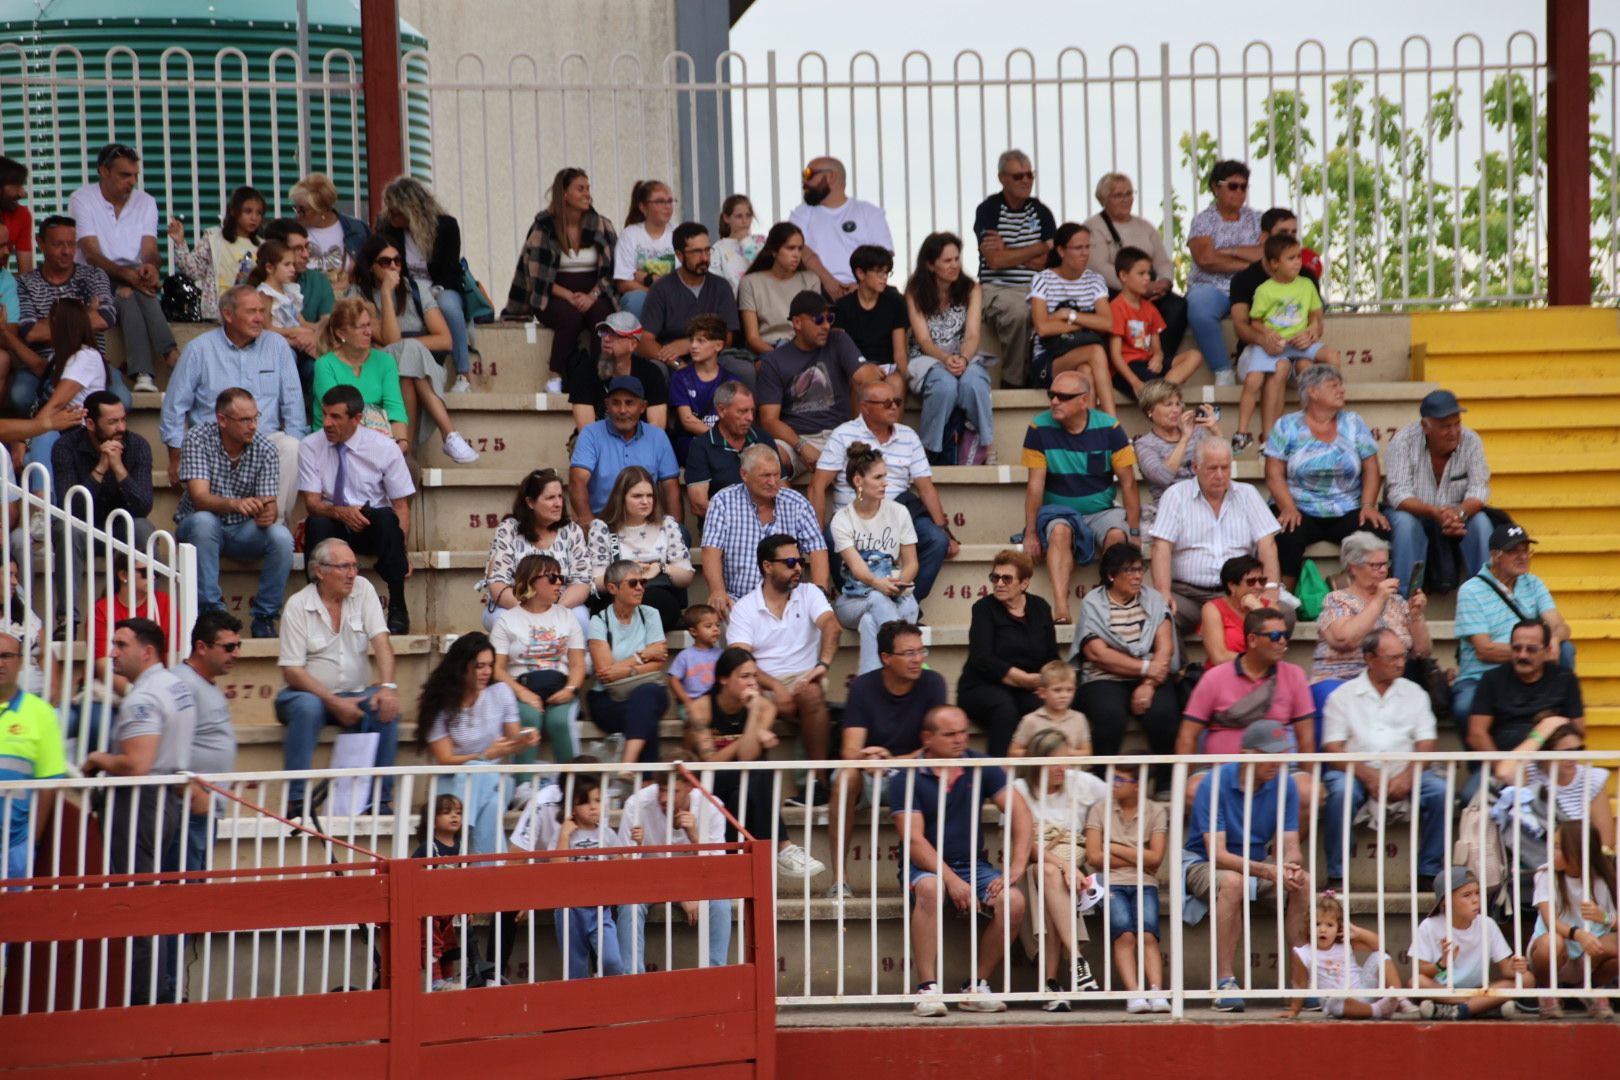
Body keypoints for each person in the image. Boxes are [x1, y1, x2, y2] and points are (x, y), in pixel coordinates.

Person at [80, 617, 199, 1004]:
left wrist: (98, 758)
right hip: (168, 798)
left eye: (120, 645)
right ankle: (161, 992)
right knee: (155, 902)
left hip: (141, 802)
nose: (111, 652)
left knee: (136, 903)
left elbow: (135, 765)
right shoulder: (177, 685)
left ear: (146, 651)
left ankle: (146, 1000)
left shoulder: (143, 698)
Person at [892, 705, 1031, 1017]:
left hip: (972, 864)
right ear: (927, 738)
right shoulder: (906, 775)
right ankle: (927, 988)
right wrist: (951, 881)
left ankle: (976, 986)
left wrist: (1017, 866)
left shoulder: (978, 763)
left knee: (1014, 901)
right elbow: (913, 840)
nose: (959, 740)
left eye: (963, 732)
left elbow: (1021, 812)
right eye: (950, 734)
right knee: (930, 889)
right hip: (923, 865)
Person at [1182, 720, 1312, 1013]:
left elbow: (1290, 843)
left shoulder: (1285, 784)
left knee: (1303, 880)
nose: (1278, 763)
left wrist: (1291, 866)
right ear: (1247, 753)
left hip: (1254, 863)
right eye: (1271, 755)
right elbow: (1217, 855)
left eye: (1282, 755)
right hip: (1203, 863)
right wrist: (1268, 870)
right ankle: (1224, 981)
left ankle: (1299, 984)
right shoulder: (1213, 784)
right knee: (1232, 881)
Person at [274, 538, 402, 816]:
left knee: (386, 705)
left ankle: (378, 800)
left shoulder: (364, 590)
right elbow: (292, 671)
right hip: (307, 695)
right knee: (307, 708)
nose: (353, 573)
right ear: (320, 571)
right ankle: (296, 799)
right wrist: (333, 702)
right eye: (344, 567)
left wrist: (388, 686)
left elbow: (381, 641)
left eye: (354, 566)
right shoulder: (298, 605)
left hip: (355, 692)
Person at [160, 286, 306, 522]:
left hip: (264, 442)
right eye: (251, 312)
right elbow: (175, 407)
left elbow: (294, 406)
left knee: (291, 445)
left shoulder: (277, 346)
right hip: (214, 444)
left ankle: (271, 523)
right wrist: (175, 456)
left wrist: (298, 440)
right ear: (228, 315)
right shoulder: (199, 349)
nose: (260, 318)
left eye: (262, 311)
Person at [1319, 629, 1447, 890]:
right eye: (1391, 658)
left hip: (1406, 769)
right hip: (1355, 772)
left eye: (1402, 656)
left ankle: (1428, 872)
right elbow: (1332, 748)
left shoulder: (1416, 693)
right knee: (1341, 790)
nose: (1400, 663)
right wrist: (1368, 775)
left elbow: (1426, 742)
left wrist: (1407, 776)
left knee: (1440, 791)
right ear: (1369, 658)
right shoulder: (1342, 695)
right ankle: (1337, 875)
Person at [826, 620, 946, 898]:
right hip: (871, 775)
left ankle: (930, 871)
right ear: (886, 658)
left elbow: (937, 746)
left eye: (921, 651)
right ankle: (839, 879)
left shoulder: (933, 683)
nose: (918, 660)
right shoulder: (863, 687)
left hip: (914, 773)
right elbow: (850, 751)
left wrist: (891, 759)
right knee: (845, 776)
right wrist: (869, 759)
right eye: (909, 654)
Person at [685, 645, 826, 880]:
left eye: (754, 676)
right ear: (723, 679)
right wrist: (750, 737)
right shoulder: (701, 708)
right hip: (708, 784)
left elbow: (748, 756)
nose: (751, 683)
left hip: (741, 785)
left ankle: (743, 865)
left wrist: (753, 715)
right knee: (759, 771)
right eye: (744, 676)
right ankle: (782, 846)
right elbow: (710, 762)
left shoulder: (764, 706)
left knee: (746, 788)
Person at [811, 379, 956, 600]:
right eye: (886, 403)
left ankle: (905, 602)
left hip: (897, 513)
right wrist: (816, 535)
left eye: (897, 401)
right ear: (865, 407)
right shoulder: (843, 434)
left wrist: (944, 529)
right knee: (829, 538)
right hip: (854, 516)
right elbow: (817, 486)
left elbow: (925, 488)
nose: (895, 407)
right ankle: (858, 598)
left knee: (937, 540)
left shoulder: (908, 435)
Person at [1019, 370, 1140, 624]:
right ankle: (1061, 608)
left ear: (1084, 400)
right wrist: (1031, 532)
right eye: (1052, 395)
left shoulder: (1110, 428)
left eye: (1063, 397)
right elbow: (1034, 486)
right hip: (1059, 511)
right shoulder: (1038, 427)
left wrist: (1136, 532)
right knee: (1060, 531)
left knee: (1118, 536)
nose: (1054, 402)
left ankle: (1107, 606)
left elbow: (1129, 483)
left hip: (1103, 510)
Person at [174, 387, 295, 637]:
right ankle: (211, 613)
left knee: (281, 537)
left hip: (242, 530)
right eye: (245, 420)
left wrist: (266, 514)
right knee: (205, 522)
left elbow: (269, 505)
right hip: (198, 528)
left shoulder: (265, 449)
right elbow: (199, 498)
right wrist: (235, 504)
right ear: (222, 420)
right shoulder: (198, 438)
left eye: (255, 417)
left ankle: (264, 616)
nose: (253, 425)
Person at [346, 236, 478, 463]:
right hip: (379, 368)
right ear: (371, 266)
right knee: (407, 354)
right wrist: (386, 294)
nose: (394, 267)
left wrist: (411, 346)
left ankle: (405, 450)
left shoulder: (416, 290)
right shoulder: (357, 296)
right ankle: (449, 435)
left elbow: (445, 340)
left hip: (422, 370)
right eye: (385, 262)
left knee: (409, 362)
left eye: (398, 261)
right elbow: (391, 339)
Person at [725, 534, 838, 798]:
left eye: (800, 561)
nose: (798, 568)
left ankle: (817, 783)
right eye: (790, 562)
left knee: (811, 693)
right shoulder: (745, 607)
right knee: (754, 704)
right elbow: (741, 661)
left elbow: (832, 626)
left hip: (805, 677)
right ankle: (752, 792)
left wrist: (824, 663)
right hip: (761, 682)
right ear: (767, 566)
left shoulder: (810, 593)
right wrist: (776, 687)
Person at [297, 384, 416, 635]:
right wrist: (341, 512)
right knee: (316, 522)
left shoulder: (384, 447)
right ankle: (316, 605)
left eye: (336, 417)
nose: (327, 423)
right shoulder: (310, 445)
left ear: (357, 419)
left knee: (385, 517)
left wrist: (403, 552)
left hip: (370, 524)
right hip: (334, 521)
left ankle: (397, 605)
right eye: (325, 414)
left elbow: (401, 506)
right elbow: (312, 503)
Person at [1264, 363, 1388, 587]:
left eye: (1341, 385)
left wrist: (1368, 505)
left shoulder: (1353, 422)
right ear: (1313, 392)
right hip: (1300, 505)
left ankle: (1349, 585)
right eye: (1333, 386)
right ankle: (1284, 596)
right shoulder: (1286, 425)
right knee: (1286, 531)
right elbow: (1273, 473)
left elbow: (1371, 467)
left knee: (1378, 530)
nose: (1341, 390)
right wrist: (1288, 507)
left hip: (1347, 506)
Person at [68, 143, 176, 392]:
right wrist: (127, 277)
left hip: (132, 275)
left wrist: (150, 267)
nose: (132, 182)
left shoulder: (146, 202)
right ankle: (167, 358)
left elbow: (149, 250)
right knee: (128, 295)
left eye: (135, 175)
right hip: (93, 276)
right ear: (104, 171)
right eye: (125, 175)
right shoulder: (82, 198)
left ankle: (145, 375)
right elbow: (91, 254)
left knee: (137, 291)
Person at [1151, 438, 1285, 633]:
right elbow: (1161, 547)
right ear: (1196, 467)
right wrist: (1163, 591)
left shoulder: (1248, 494)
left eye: (1225, 468)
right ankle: (1176, 665)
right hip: (1190, 596)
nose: (1220, 475)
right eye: (1212, 468)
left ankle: (1245, 664)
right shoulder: (1175, 495)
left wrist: (1271, 587)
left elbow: (1267, 544)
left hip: (1239, 593)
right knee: (1162, 614)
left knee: (1284, 615)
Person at [1011, 726, 1104, 1009]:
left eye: (1066, 759)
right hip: (1032, 866)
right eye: (1055, 761)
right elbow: (1024, 845)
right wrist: (1064, 866)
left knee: (1050, 880)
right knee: (1047, 873)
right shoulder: (1019, 790)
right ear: (1037, 760)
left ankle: (1051, 985)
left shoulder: (1080, 781)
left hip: (1073, 870)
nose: (1063, 767)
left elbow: (1122, 795)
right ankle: (1076, 960)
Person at [417, 632, 534, 855]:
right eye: (479, 666)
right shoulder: (439, 701)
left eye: (490, 665)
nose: (487, 672)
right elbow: (445, 759)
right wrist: (483, 756)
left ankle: (458, 837)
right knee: (490, 805)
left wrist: (525, 740)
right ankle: (491, 874)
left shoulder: (501, 692)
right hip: (451, 781)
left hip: (494, 779)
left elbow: (512, 743)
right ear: (462, 667)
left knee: (483, 774)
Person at [1177, 609, 1317, 791]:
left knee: (1308, 791)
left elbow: (1306, 738)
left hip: (1277, 772)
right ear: (1252, 640)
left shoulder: (1295, 675)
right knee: (1192, 791)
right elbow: (1187, 736)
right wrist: (1184, 781)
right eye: (1275, 635)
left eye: (1285, 635)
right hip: (1220, 771)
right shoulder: (1214, 677)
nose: (1282, 641)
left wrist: (1307, 776)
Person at [501, 167, 618, 380]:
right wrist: (571, 297)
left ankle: (600, 378)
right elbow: (536, 276)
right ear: (564, 194)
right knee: (570, 317)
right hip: (553, 294)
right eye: (580, 189)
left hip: (595, 293)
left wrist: (591, 296)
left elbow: (612, 270)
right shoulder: (543, 228)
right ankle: (556, 376)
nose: (587, 194)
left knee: (602, 318)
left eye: (588, 188)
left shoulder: (603, 225)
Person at [51, 392, 153, 624]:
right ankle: (68, 620)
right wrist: (100, 468)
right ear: (89, 423)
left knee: (143, 528)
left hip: (120, 530)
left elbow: (143, 506)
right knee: (66, 528)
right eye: (112, 422)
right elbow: (71, 509)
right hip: (83, 531)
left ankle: (143, 617)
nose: (121, 428)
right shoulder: (65, 447)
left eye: (123, 419)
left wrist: (118, 469)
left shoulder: (138, 446)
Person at [1452, 523, 1573, 720]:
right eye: (1514, 551)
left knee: (1565, 648)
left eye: (1526, 550)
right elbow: (1484, 650)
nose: (1523, 557)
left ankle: (1559, 727)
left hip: (1528, 671)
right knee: (1465, 706)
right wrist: (1537, 654)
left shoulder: (1533, 583)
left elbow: (1560, 626)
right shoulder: (1471, 590)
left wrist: (1554, 640)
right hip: (1483, 675)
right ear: (1495, 555)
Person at [618, 767, 734, 972]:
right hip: (649, 880)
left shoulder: (712, 806)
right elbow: (626, 870)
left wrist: (695, 838)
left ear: (690, 787)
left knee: (720, 903)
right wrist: (679, 893)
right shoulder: (636, 804)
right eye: (661, 790)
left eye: (673, 791)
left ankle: (715, 978)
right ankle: (632, 982)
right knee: (629, 905)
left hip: (698, 880)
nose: (664, 798)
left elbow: (719, 870)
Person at [1233, 234, 1341, 453]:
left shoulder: (1306, 284)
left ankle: (1327, 414)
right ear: (1274, 263)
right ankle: (1267, 437)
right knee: (1276, 371)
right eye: (1291, 258)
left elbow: (1316, 316)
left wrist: (1312, 329)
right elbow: (1255, 322)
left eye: (1298, 257)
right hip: (1276, 345)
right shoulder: (1264, 289)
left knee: (1332, 358)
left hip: (1300, 343)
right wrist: (1268, 334)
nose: (1298, 262)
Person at [1073, 543, 1180, 760]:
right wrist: (1146, 669)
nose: (1137, 576)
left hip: (1152, 677)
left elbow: (1165, 647)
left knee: (1164, 713)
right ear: (1112, 575)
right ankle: (1102, 780)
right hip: (1104, 678)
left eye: (1140, 569)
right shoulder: (1094, 602)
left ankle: (1164, 784)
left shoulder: (1154, 599)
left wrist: (1149, 684)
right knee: (1110, 716)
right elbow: (1097, 654)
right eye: (1129, 570)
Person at [1384, 389, 1494, 596]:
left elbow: (1480, 488)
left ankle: (1486, 597)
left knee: (1481, 523)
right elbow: (1397, 494)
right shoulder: (1403, 442)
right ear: (1426, 426)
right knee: (1406, 524)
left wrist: (1459, 513)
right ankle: (1404, 600)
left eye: (1457, 423)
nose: (1454, 431)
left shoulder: (1471, 441)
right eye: (1445, 426)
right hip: (1413, 512)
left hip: (1457, 517)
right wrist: (1435, 513)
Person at [757, 290, 877, 478]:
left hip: (840, 434)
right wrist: (801, 446)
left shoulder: (838, 341)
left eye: (830, 318)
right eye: (819, 320)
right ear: (797, 323)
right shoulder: (774, 361)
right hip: (797, 438)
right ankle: (789, 507)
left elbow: (866, 380)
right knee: (768, 464)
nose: (827, 326)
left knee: (877, 467)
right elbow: (769, 420)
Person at [1310, 532, 1432, 715]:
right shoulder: (1337, 600)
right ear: (1353, 568)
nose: (1383, 570)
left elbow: (1423, 651)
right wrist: (1378, 601)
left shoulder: (1397, 602)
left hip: (1387, 681)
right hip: (1341, 679)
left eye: (1386, 564)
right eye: (1376, 565)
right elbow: (1346, 639)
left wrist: (1416, 616)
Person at [1085, 759, 1171, 1013]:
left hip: (1145, 882)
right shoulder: (1099, 809)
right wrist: (1138, 854)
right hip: (1111, 881)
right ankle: (1134, 994)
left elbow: (1156, 859)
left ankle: (1156, 992)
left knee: (1148, 935)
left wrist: (1113, 847)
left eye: (1120, 781)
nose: (1113, 785)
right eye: (1112, 779)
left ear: (1138, 785)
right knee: (1124, 934)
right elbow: (1094, 857)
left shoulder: (1155, 811)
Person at [701, 443, 828, 614]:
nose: (773, 482)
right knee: (721, 613)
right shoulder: (723, 501)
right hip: (738, 600)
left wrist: (818, 593)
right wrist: (717, 591)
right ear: (744, 475)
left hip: (789, 601)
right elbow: (711, 552)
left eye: (776, 475)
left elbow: (817, 549)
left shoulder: (796, 502)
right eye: (765, 476)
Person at [904, 231, 997, 465]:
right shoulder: (915, 291)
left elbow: (974, 334)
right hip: (928, 357)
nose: (954, 265)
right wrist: (946, 359)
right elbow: (924, 340)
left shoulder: (971, 289)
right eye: (947, 261)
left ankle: (987, 445)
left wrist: (963, 359)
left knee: (974, 383)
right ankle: (929, 451)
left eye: (957, 259)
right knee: (944, 386)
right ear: (930, 264)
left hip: (964, 354)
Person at [10, 216, 117, 416]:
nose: (67, 251)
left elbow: (106, 318)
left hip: (89, 365)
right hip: (43, 366)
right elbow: (30, 332)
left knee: (121, 399)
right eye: (58, 244)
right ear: (40, 243)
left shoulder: (94, 275)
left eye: (71, 244)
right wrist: (86, 315)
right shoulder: (25, 282)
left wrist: (50, 325)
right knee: (20, 395)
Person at [957, 549, 1059, 758]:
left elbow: (1051, 655)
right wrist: (1026, 680)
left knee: (1043, 706)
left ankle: (1040, 777)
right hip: (982, 685)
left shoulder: (1040, 607)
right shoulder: (983, 608)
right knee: (1004, 709)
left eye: (1006, 578)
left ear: (1024, 583)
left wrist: (1046, 681)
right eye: (995, 577)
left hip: (1026, 687)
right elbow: (982, 659)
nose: (999, 583)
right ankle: (998, 778)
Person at [829, 442, 920, 673]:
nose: (885, 483)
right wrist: (879, 585)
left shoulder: (899, 512)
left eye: (885, 476)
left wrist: (900, 583)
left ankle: (871, 682)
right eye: (878, 477)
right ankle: (905, 660)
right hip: (853, 599)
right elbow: (859, 570)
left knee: (877, 619)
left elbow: (911, 563)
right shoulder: (842, 519)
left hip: (893, 594)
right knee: (881, 601)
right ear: (859, 481)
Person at [489, 553, 587, 764]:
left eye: (561, 577)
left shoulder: (567, 616)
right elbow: (496, 669)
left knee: (560, 721)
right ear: (530, 581)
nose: (559, 582)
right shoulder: (507, 620)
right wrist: (523, 693)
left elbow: (578, 663)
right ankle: (524, 790)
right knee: (528, 720)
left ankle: (573, 788)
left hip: (559, 686)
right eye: (552, 577)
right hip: (521, 688)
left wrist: (570, 690)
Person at [377, 176, 472, 390]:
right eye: (389, 210)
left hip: (441, 288)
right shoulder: (389, 229)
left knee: (448, 306)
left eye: (396, 212)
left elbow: (449, 270)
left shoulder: (446, 226)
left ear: (410, 210)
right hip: (406, 288)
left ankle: (464, 374)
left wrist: (430, 294)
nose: (390, 216)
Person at [972, 150, 1056, 389]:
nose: (1026, 181)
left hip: (1036, 287)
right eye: (1018, 176)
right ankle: (1014, 383)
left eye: (1030, 175)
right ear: (1002, 178)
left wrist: (1008, 249)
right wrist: (1039, 246)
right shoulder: (989, 210)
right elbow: (995, 262)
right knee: (1019, 312)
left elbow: (1047, 262)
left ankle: (1049, 375)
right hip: (997, 288)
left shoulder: (1041, 212)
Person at [636, 221, 752, 387]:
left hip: (715, 356)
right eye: (697, 252)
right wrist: (677, 364)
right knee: (655, 370)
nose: (704, 258)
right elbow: (645, 341)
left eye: (707, 250)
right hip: (673, 360)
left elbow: (727, 338)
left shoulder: (721, 286)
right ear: (679, 255)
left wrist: (691, 344)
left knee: (743, 369)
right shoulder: (661, 288)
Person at [1083, 171, 1186, 355]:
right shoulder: (1094, 226)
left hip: (1149, 286)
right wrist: (1137, 286)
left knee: (1177, 306)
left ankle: (1161, 359)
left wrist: (1164, 283)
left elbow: (1162, 261)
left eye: (1129, 193)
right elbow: (1100, 267)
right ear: (1103, 199)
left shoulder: (1144, 226)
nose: (1126, 199)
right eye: (1118, 195)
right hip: (1115, 289)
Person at [478, 468, 591, 634]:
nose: (558, 503)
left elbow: (581, 582)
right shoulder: (509, 529)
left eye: (560, 496)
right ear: (530, 502)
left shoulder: (572, 530)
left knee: (580, 616)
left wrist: (553, 610)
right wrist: (527, 611)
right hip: (513, 605)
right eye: (550, 498)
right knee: (501, 620)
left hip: (560, 604)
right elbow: (497, 582)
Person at [1413, 867, 1535, 1021]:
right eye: (1466, 895)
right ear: (1445, 901)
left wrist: (1516, 967)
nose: (1475, 900)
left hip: (1479, 990)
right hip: (1446, 992)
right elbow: (1422, 971)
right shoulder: (1429, 926)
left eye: (1477, 893)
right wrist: (1442, 964)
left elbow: (1506, 971)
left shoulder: (1487, 924)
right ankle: (1480, 1006)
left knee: (1527, 978)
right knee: (1416, 981)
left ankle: (1460, 1010)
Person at [586, 558, 671, 766]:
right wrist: (642, 656)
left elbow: (657, 662)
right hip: (608, 699)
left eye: (643, 583)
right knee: (645, 715)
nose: (640, 588)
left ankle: (628, 764)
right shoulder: (599, 621)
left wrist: (625, 668)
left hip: (648, 692)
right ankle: (648, 783)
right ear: (612, 588)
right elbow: (606, 673)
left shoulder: (651, 614)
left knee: (645, 696)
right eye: (633, 583)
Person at [1184, 160, 1263, 386]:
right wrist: (1249, 261)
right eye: (1232, 186)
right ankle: (1223, 371)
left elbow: (1267, 253)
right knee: (1199, 307)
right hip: (1212, 287)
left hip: (1250, 288)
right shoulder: (1203, 220)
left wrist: (1229, 251)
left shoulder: (1257, 219)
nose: (1239, 192)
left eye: (1243, 186)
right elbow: (1206, 259)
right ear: (1215, 188)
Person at [1527, 821, 1617, 1015]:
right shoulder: (1545, 874)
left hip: (1590, 956)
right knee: (1552, 942)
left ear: (1577, 852)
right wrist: (1579, 935)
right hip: (1555, 953)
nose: (1552, 851)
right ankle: (1548, 991)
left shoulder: (1604, 878)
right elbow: (1550, 921)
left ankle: (1589, 988)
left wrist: (1604, 917)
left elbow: (1614, 921)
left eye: (1558, 847)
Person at [587, 465, 693, 629]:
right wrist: (628, 572)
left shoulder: (667, 525)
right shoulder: (603, 528)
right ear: (621, 498)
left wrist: (662, 567)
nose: (645, 501)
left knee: (653, 601)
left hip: (658, 598)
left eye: (649, 495)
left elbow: (686, 577)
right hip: (616, 599)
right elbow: (596, 584)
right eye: (637, 496)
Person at [1280, 893, 1414, 1020]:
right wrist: (1294, 1010)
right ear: (1308, 926)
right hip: (1339, 1000)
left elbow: (1379, 946)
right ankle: (1378, 1009)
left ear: (1339, 927)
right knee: (1331, 1002)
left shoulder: (1343, 941)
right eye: (1317, 924)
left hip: (1362, 989)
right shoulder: (1303, 954)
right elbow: (1299, 984)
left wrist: (1358, 932)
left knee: (1380, 956)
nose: (1323, 929)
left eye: (1330, 925)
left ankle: (1399, 998)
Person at [568, 375, 680, 525]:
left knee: (683, 535)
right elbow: (577, 480)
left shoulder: (657, 436)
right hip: (604, 523)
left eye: (629, 403)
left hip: (647, 524)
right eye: (615, 403)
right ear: (607, 405)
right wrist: (590, 525)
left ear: (643, 407)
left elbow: (670, 488)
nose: (622, 410)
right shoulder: (591, 434)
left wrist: (675, 527)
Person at [0, 624, 65, 882]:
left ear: (21, 662)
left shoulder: (42, 714)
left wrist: (31, 843)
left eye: (7, 656)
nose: (1, 663)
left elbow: (49, 784)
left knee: (16, 921)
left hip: (15, 845)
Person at [1493, 717, 1614, 851]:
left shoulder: (1591, 777)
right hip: (1536, 863)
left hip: (1579, 864)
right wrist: (1541, 732)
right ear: (1544, 753)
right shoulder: (1530, 773)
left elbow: (1605, 841)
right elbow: (1504, 772)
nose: (1573, 757)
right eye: (1567, 752)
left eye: (1579, 749)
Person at [1026, 223, 1113, 408]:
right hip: (1048, 360)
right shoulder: (1042, 279)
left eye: (1087, 247)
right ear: (1061, 251)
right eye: (1078, 248)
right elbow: (1042, 328)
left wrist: (1068, 315)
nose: (1085, 253)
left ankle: (1089, 434)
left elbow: (1107, 323)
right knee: (1096, 351)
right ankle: (1113, 426)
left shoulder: (1095, 280)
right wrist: (1087, 323)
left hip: (1082, 357)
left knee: (1086, 371)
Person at [1466, 618, 1585, 754]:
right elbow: (1476, 734)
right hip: (1501, 762)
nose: (1522, 655)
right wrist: (1503, 767)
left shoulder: (1565, 678)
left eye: (1531, 649)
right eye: (1516, 648)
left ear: (1547, 651)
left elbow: (1578, 730)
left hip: (1551, 767)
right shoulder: (1491, 679)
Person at [24, 299, 110, 481]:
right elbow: (39, 366)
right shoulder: (60, 356)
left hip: (78, 433)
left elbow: (56, 404)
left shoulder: (85, 356)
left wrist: (25, 437)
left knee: (43, 434)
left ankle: (40, 506)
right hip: (59, 429)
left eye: (50, 322)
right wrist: (7, 337)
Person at [553, 776, 628, 978]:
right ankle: (581, 1007)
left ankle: (611, 998)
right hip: (570, 909)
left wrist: (633, 846)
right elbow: (556, 870)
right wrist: (563, 836)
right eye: (585, 802)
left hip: (600, 907)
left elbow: (620, 865)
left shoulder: (607, 834)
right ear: (572, 807)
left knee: (612, 961)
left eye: (597, 800)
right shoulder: (565, 834)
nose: (593, 807)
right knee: (575, 969)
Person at [791, 157, 894, 297]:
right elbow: (794, 245)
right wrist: (829, 283)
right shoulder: (802, 213)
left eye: (809, 174)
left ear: (831, 177)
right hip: (814, 292)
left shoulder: (870, 212)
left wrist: (861, 286)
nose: (804, 181)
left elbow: (884, 255)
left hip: (864, 293)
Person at [1109, 247, 1203, 398]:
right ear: (1123, 275)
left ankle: (1161, 392)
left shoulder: (1150, 308)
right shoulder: (1116, 307)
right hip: (1127, 369)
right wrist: (1135, 383)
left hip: (1148, 364)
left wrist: (1158, 358)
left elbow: (1157, 348)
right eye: (1141, 273)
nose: (1147, 278)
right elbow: (1115, 355)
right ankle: (1163, 393)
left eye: (1149, 273)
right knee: (1158, 386)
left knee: (1195, 356)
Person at [1131, 378, 1222, 529]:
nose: (1175, 410)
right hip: (1171, 510)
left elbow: (1220, 462)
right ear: (1150, 411)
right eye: (1168, 405)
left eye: (1178, 404)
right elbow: (1163, 477)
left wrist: (1215, 430)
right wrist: (1184, 439)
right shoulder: (1144, 444)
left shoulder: (1196, 432)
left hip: (1204, 503)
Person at [167, 184, 265, 321]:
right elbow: (194, 270)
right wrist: (180, 243)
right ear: (234, 211)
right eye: (248, 211)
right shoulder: (214, 238)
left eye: (259, 213)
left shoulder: (262, 246)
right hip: (217, 313)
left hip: (249, 314)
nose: (254, 217)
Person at [683, 380, 778, 518]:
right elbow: (699, 505)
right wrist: (744, 524)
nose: (750, 418)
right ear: (721, 410)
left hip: (767, 525)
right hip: (723, 531)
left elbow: (782, 488)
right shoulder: (701, 446)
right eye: (742, 411)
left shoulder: (763, 438)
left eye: (752, 410)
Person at [568, 310, 668, 430]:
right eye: (604, 332)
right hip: (597, 444)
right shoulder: (584, 371)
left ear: (633, 344)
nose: (606, 338)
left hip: (640, 443)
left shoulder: (651, 373)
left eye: (615, 334)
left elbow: (657, 429)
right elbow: (587, 431)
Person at [832, 244, 909, 398]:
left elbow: (900, 352)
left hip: (887, 368)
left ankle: (893, 424)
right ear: (860, 273)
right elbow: (839, 350)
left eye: (887, 272)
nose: (885, 277)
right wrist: (865, 368)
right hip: (856, 367)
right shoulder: (842, 307)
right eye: (879, 272)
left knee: (897, 382)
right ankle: (858, 423)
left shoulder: (895, 303)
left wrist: (905, 376)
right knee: (859, 381)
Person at [739, 222, 820, 356]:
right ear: (774, 251)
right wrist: (780, 356)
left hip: (804, 349)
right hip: (768, 350)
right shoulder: (750, 282)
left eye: (800, 249)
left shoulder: (811, 280)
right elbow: (753, 338)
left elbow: (814, 326)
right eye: (790, 248)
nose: (796, 254)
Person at [613, 179, 677, 319]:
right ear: (643, 207)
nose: (668, 206)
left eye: (670, 201)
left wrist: (648, 278)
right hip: (640, 297)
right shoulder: (630, 235)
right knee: (637, 301)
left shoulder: (678, 234)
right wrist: (655, 293)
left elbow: (680, 281)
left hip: (673, 297)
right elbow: (624, 283)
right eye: (660, 202)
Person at [291, 172, 370, 284]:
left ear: (322, 209)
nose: (298, 214)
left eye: (303, 210)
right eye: (295, 208)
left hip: (347, 298)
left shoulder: (357, 229)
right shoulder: (289, 230)